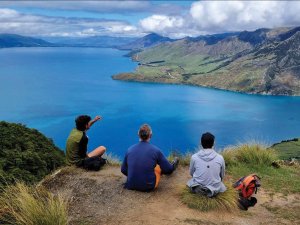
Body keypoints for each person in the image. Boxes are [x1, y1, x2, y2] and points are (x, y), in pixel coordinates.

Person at [121, 124, 179, 192]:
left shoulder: (129, 149)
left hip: (131, 184)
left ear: (138, 134)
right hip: (148, 186)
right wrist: (172, 166)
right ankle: (173, 164)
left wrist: (134, 174)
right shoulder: (155, 150)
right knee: (158, 167)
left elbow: (123, 169)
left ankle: (136, 178)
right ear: (150, 135)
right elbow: (168, 169)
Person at [187, 132, 226, 197]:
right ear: (213, 143)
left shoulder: (194, 157)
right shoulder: (220, 158)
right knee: (221, 186)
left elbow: (191, 173)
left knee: (190, 182)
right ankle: (210, 191)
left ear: (200, 143)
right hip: (214, 189)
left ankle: (200, 190)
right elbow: (222, 175)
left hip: (198, 188)